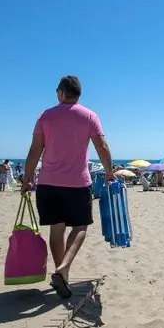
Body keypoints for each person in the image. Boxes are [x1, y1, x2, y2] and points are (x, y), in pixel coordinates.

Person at [21, 75, 114, 300]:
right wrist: (109, 172)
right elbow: (101, 147)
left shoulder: (46, 116)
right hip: (77, 182)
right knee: (80, 226)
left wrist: (26, 179)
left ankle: (62, 272)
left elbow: (35, 150)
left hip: (48, 183)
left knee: (57, 228)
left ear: (62, 92)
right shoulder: (89, 115)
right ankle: (63, 269)